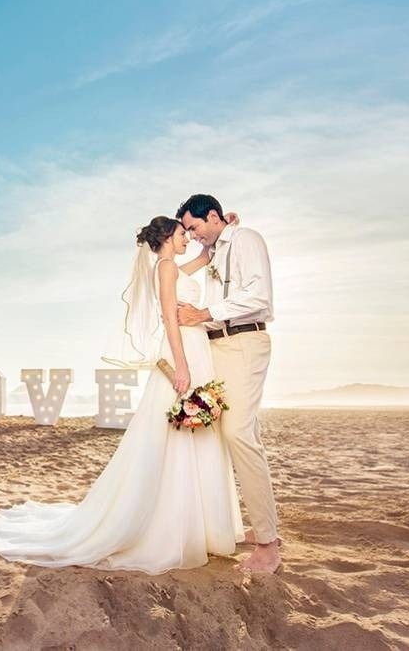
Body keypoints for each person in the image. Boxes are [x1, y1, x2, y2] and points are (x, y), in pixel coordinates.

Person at [0, 216, 245, 574]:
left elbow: (204, 259)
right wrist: (181, 365)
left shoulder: (174, 268)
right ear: (165, 238)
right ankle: (178, 526)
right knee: (177, 436)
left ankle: (201, 526)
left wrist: (225, 227)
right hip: (184, 353)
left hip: (196, 351)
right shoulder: (165, 269)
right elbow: (169, 319)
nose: (187, 240)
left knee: (197, 434)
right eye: (181, 234)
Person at [176, 194, 281, 574]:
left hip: (245, 342)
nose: (192, 235)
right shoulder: (216, 251)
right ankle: (263, 527)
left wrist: (203, 313)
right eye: (186, 230)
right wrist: (194, 322)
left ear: (215, 216)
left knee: (239, 435)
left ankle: (269, 547)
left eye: (195, 226)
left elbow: (258, 296)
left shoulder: (246, 239)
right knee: (227, 435)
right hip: (217, 345)